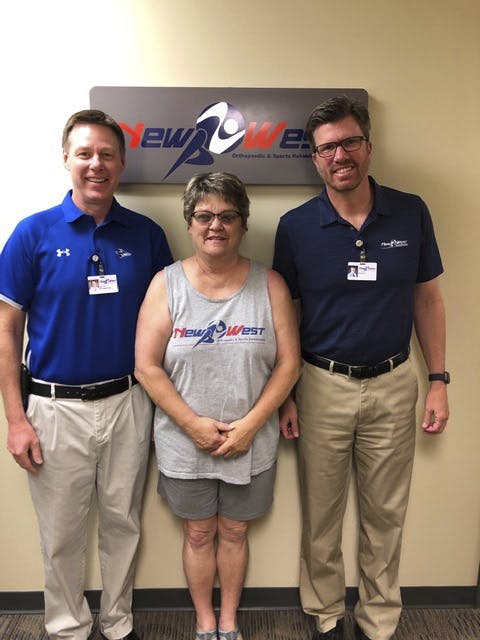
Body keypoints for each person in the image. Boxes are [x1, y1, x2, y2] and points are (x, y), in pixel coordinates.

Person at [273, 96, 449, 640]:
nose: (340, 156)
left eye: (350, 142)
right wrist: (285, 392)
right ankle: (326, 616)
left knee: (386, 515)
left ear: (369, 147)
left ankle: (378, 620)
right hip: (320, 383)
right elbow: (286, 313)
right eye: (327, 148)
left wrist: (438, 381)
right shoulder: (295, 226)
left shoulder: (410, 212)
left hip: (395, 381)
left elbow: (428, 299)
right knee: (320, 514)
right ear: (315, 159)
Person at [0, 109, 173, 640]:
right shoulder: (32, 234)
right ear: (66, 159)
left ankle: (118, 622)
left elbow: (168, 324)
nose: (96, 164)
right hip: (53, 408)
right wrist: (16, 420)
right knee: (61, 534)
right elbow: (6, 330)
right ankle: (67, 627)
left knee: (124, 522)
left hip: (128, 402)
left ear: (121, 163)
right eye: (85, 153)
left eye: (106, 154)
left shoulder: (147, 236)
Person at [135, 172, 300, 640]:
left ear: (243, 224)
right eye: (204, 215)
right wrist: (192, 426)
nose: (216, 226)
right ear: (189, 223)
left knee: (234, 532)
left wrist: (250, 426)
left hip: (252, 439)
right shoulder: (166, 285)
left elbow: (289, 364)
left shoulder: (270, 285)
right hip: (184, 441)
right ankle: (204, 620)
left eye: (228, 216)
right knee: (198, 533)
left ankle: (228, 619)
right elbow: (147, 367)